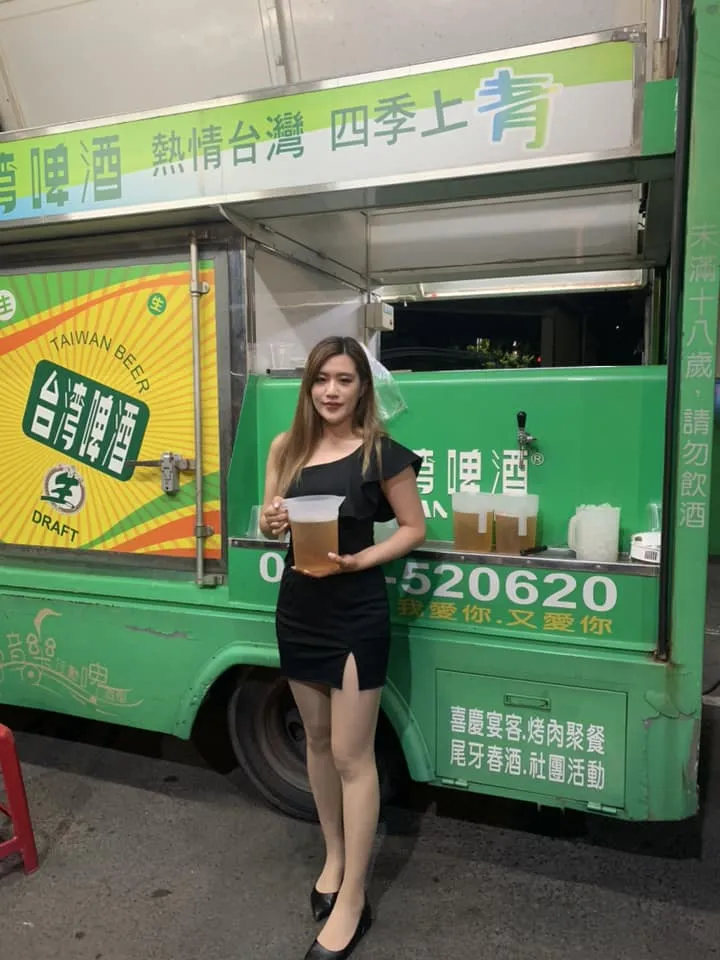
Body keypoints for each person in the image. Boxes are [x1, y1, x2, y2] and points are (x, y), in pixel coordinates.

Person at [260, 336, 426, 960]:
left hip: (356, 613)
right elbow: (266, 520)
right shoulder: (287, 448)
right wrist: (270, 522)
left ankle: (353, 896)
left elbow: (413, 528)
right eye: (321, 379)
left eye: (344, 380)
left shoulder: (381, 454)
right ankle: (333, 856)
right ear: (308, 386)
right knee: (318, 742)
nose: (331, 391)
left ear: (363, 388)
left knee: (353, 757)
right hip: (298, 610)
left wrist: (363, 559)